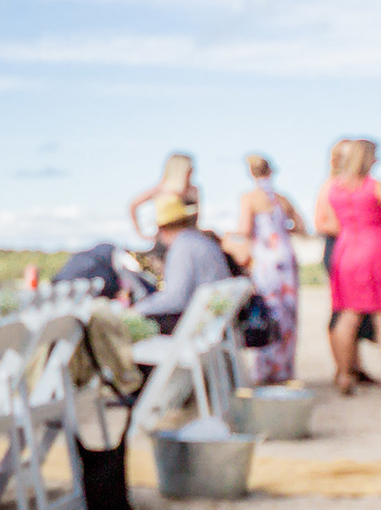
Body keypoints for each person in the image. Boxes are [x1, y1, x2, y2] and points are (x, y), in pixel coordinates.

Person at [239, 154, 305, 384]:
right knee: (287, 314)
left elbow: (245, 230)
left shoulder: (250, 198)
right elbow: (301, 225)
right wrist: (283, 229)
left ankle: (265, 370)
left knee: (266, 311)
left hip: (266, 259)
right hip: (286, 257)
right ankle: (284, 370)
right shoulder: (282, 198)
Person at [323, 139, 381, 395]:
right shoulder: (374, 188)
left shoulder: (334, 189)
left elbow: (330, 222)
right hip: (373, 249)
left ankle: (345, 375)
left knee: (347, 313)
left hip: (345, 251)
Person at [130, 195, 231, 336]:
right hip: (215, 323)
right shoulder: (204, 242)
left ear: (162, 228)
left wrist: (137, 310)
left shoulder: (182, 247)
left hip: (200, 328)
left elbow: (176, 298)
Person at [128, 152, 199, 239]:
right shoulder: (160, 189)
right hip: (166, 239)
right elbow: (133, 205)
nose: (192, 171)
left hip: (189, 236)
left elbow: (197, 217)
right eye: (189, 168)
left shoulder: (193, 190)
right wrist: (141, 233)